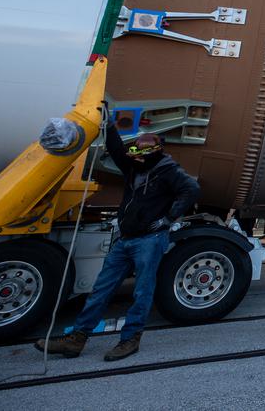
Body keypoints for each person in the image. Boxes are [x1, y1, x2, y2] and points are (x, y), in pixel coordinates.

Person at [36, 118, 199, 362]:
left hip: (150, 240)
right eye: (134, 152)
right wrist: (109, 125)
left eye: (142, 152)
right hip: (126, 240)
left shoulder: (169, 171)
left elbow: (192, 190)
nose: (136, 156)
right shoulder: (134, 167)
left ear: (156, 151)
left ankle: (130, 339)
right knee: (101, 289)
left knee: (142, 291)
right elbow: (116, 151)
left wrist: (168, 218)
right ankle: (77, 338)